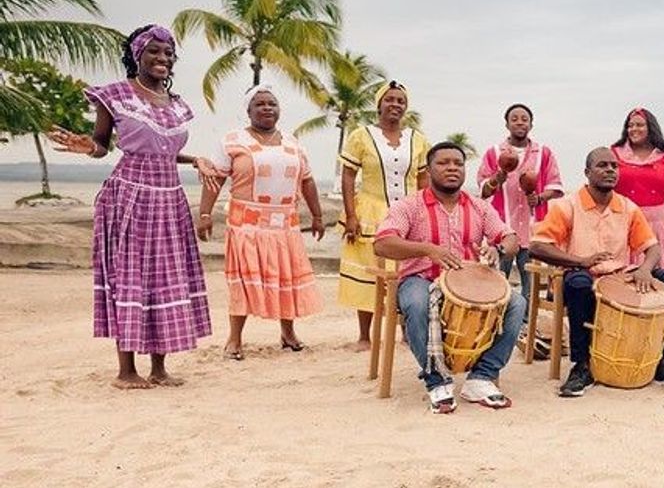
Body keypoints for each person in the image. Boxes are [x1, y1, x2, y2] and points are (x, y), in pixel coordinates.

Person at [48, 24, 217, 389]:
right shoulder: (117, 95)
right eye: (154, 51)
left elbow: (165, 152)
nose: (162, 58)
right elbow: (101, 144)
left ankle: (159, 368)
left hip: (169, 198)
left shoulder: (176, 105)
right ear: (136, 55)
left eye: (168, 53)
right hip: (130, 196)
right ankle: (126, 371)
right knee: (131, 278)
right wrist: (87, 147)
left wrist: (195, 160)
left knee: (166, 278)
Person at [529, 147, 664, 398]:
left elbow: (652, 248)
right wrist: (581, 261)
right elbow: (537, 246)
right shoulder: (566, 206)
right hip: (579, 274)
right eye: (602, 165)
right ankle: (582, 365)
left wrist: (645, 270)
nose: (610, 170)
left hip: (619, 277)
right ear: (587, 172)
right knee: (579, 284)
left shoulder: (628, 207)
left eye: (614, 166)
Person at [373, 141, 525, 413]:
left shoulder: (479, 207)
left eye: (457, 163)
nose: (452, 168)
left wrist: (497, 248)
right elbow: (382, 243)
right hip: (421, 279)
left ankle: (481, 377)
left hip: (470, 284)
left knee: (516, 303)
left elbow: (511, 238)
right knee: (418, 304)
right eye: (443, 163)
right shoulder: (409, 206)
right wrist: (426, 249)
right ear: (429, 170)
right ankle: (436, 381)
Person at [195, 85, 325, 360]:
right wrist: (205, 214)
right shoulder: (233, 140)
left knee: (285, 278)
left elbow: (307, 181)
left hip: (285, 227)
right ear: (249, 110)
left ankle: (288, 334)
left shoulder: (293, 143)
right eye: (260, 104)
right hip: (247, 227)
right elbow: (216, 178)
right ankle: (234, 339)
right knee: (243, 281)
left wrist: (317, 216)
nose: (267, 108)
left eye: (272, 104)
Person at [337, 80, 430, 352]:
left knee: (407, 271)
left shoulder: (418, 140)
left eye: (400, 101)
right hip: (371, 210)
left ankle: (405, 331)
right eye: (390, 99)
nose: (395, 104)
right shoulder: (361, 136)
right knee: (370, 271)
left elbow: (424, 180)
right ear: (379, 104)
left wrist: (425, 214)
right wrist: (351, 215)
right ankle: (365, 335)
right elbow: (348, 176)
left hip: (409, 213)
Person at [611, 107, 664, 340]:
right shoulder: (615, 153)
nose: (634, 129)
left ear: (650, 128)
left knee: (660, 273)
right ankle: (625, 324)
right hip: (625, 220)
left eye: (639, 125)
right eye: (630, 125)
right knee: (626, 271)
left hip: (658, 222)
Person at [477, 103, 564, 305]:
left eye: (524, 119)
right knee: (499, 278)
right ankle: (498, 317)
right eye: (514, 119)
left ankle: (526, 322)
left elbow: (555, 185)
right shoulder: (494, 152)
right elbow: (484, 190)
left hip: (533, 229)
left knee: (531, 281)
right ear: (507, 124)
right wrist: (497, 178)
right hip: (502, 228)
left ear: (531, 125)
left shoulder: (544, 153)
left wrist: (540, 197)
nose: (519, 122)